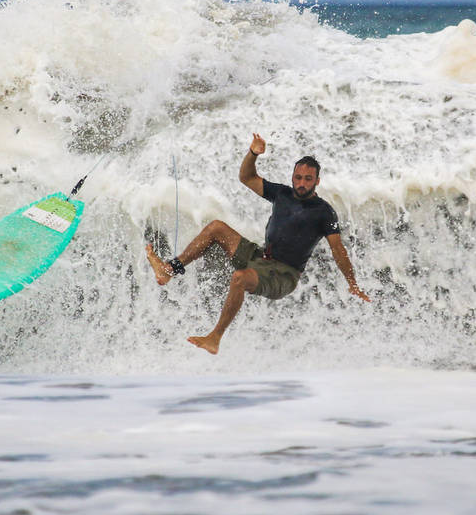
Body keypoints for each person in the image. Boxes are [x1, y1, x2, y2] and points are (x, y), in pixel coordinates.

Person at [146, 133, 370, 354]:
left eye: (308, 179)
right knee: (216, 228)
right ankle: (170, 270)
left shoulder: (324, 212)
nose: (301, 183)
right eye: (298, 178)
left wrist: (352, 282)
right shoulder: (282, 193)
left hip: (284, 274)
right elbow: (247, 178)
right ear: (293, 177)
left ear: (317, 181)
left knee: (240, 278)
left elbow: (338, 249)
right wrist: (253, 153)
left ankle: (214, 338)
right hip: (261, 257)